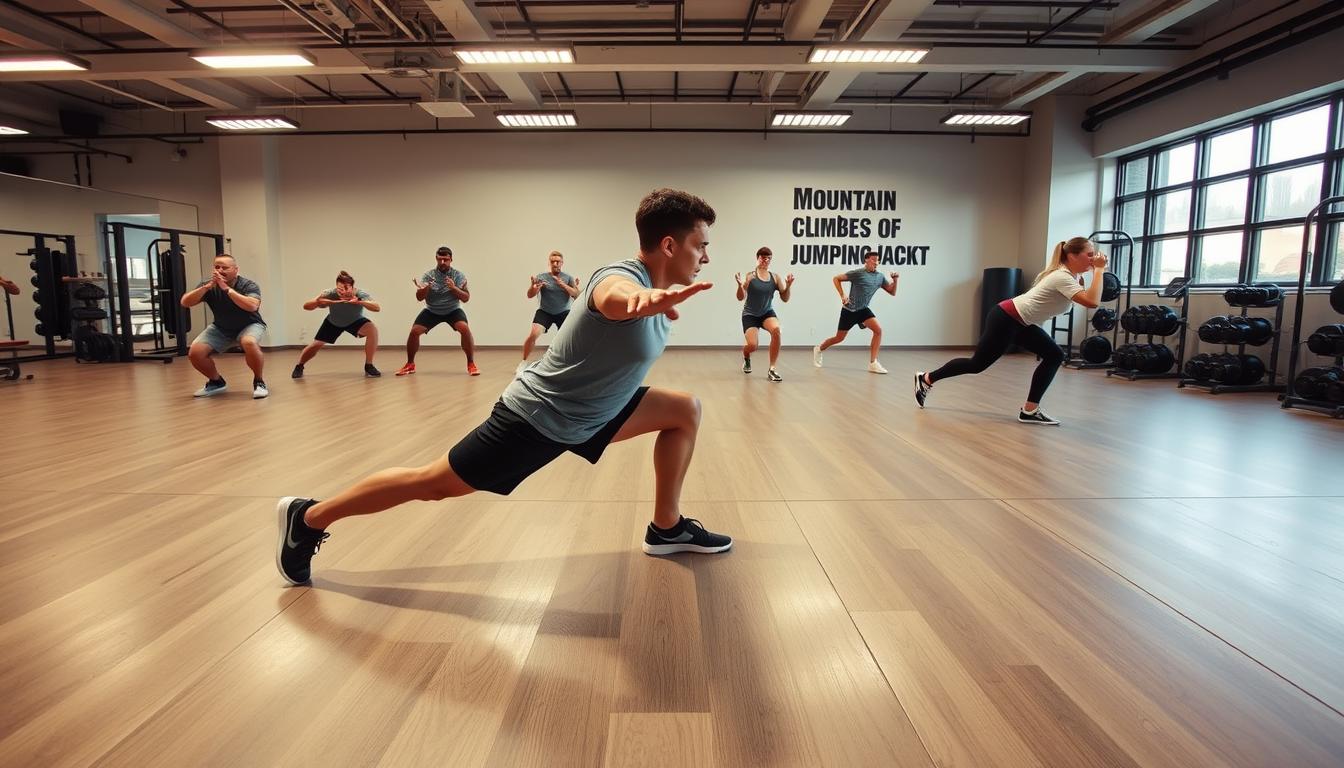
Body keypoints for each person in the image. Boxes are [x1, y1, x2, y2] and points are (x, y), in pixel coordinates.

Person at [276, 188, 733, 586]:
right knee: (433, 484)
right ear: (669, 245)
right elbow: (611, 299)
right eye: (701, 245)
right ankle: (309, 517)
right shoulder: (619, 280)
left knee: (684, 410)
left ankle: (667, 527)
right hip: (537, 420)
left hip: (595, 412)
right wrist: (638, 302)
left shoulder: (656, 290)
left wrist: (651, 301)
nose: (707, 256)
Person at [914, 237, 1109, 425]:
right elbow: (1092, 302)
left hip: (1022, 322)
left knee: (1054, 355)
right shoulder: (1061, 276)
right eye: (1089, 254)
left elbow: (1091, 296)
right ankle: (926, 378)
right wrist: (1099, 270)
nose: (1094, 259)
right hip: (1006, 318)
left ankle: (1030, 410)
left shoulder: (1074, 277)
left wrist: (1095, 271)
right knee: (976, 364)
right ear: (1073, 256)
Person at [180, 254, 268, 398]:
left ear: (235, 270)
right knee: (195, 352)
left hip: (250, 325)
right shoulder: (208, 284)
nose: (220, 270)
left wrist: (226, 289)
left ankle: (259, 381)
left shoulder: (247, 285)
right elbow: (185, 302)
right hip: (221, 328)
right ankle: (216, 382)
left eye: (225, 268)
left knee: (249, 342)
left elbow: (252, 306)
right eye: (217, 267)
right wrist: (206, 287)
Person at [396, 246, 478, 376]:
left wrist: (453, 288)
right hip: (432, 310)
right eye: (440, 259)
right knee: (414, 331)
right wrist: (426, 288)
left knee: (465, 329)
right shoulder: (428, 275)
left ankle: (471, 364)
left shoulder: (458, 275)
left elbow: (466, 298)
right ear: (436, 259)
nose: (442, 263)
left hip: (453, 310)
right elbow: (419, 297)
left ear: (451, 259)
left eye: (446, 259)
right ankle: (410, 364)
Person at [812, 252, 899, 374]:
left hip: (863, 310)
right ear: (866, 260)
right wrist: (842, 295)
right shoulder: (858, 274)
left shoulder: (880, 277)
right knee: (839, 338)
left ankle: (873, 363)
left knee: (878, 330)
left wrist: (895, 281)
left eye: (878, 260)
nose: (876, 263)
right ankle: (819, 349)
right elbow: (836, 278)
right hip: (850, 310)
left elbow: (892, 292)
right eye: (874, 260)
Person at [292, 270, 381, 379]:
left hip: (355, 321)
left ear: (352, 287)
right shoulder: (330, 293)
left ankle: (369, 365)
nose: (342, 291)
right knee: (315, 345)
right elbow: (306, 306)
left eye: (346, 288)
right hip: (333, 322)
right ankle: (299, 366)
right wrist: (318, 302)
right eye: (339, 289)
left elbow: (377, 307)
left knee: (373, 330)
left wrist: (359, 302)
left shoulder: (360, 294)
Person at [734, 246, 792, 382]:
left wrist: (788, 286)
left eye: (768, 259)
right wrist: (740, 285)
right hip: (750, 315)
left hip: (767, 312)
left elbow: (785, 298)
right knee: (753, 346)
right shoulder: (750, 276)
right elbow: (740, 297)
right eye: (763, 258)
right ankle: (746, 356)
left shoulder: (775, 277)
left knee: (777, 330)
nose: (765, 261)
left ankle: (772, 369)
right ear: (758, 258)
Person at [519, 250, 580, 369]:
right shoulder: (541, 277)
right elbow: (530, 295)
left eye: (558, 261)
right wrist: (534, 288)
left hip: (563, 312)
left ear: (562, 263)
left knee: (569, 338)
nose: (555, 264)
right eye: (553, 261)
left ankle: (569, 364)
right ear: (549, 263)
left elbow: (576, 295)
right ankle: (523, 363)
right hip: (545, 311)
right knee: (533, 334)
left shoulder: (568, 278)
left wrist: (563, 285)